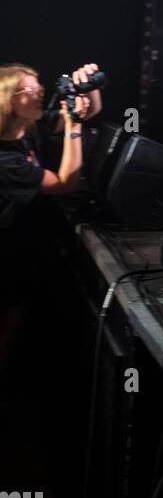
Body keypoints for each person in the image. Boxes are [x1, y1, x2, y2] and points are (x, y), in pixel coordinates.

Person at [0, 62, 102, 377]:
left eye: (40, 86)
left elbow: (90, 110)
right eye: (31, 89)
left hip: (21, 245)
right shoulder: (5, 159)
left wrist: (86, 86)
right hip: (5, 251)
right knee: (7, 319)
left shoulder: (27, 129)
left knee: (16, 313)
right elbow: (65, 182)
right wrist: (73, 125)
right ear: (9, 100)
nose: (40, 92)